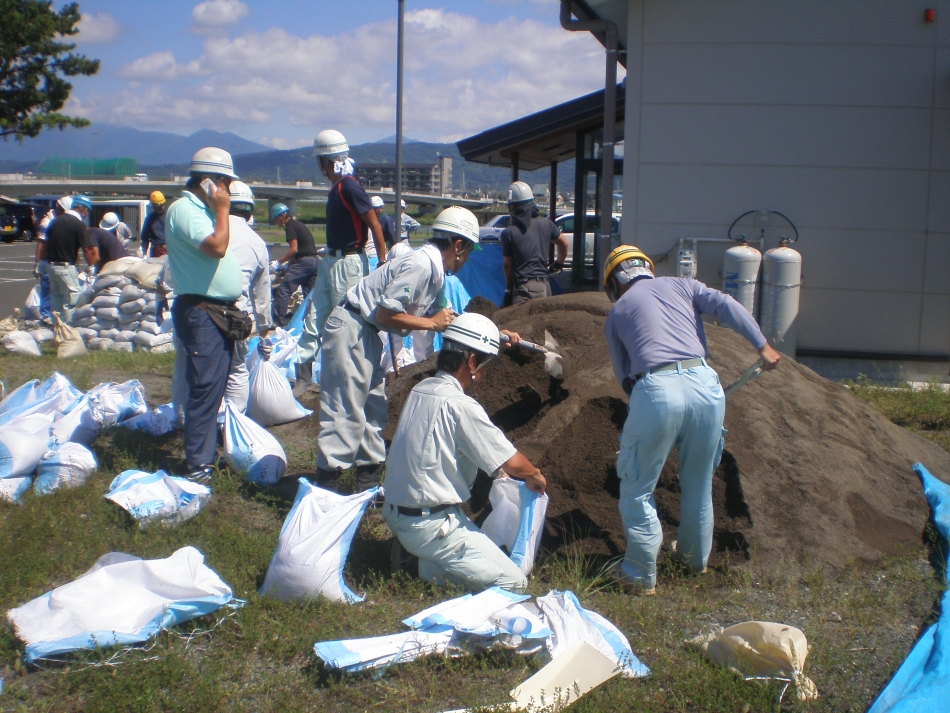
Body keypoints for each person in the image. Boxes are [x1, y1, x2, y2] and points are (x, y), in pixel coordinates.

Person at [602, 245, 781, 595]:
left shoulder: (618, 312)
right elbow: (727, 305)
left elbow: (625, 378)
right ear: (647, 269)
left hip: (655, 389)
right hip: (705, 385)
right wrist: (762, 345)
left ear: (614, 282)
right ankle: (693, 561)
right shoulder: (684, 285)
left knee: (637, 488)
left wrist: (647, 420)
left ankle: (639, 575)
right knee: (699, 484)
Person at [315, 206, 479, 493]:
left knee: (373, 409)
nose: (466, 260)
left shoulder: (436, 274)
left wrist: (491, 332)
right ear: (458, 245)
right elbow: (384, 314)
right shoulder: (419, 265)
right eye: (467, 253)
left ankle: (367, 485)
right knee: (346, 410)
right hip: (352, 327)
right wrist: (430, 323)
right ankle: (324, 494)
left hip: (364, 332)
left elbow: (447, 316)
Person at [383, 312, 543, 592]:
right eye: (483, 367)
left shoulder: (421, 389)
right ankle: (419, 565)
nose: (482, 376)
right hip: (432, 524)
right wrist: (534, 476)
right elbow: (514, 463)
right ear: (471, 362)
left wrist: (492, 337)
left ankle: (417, 551)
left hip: (397, 511)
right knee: (514, 582)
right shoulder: (460, 405)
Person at [165, 147, 243, 482]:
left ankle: (205, 456)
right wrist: (223, 210)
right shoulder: (185, 210)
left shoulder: (202, 209)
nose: (228, 191)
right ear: (210, 181)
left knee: (213, 388)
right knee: (205, 387)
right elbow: (217, 246)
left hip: (215, 310)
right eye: (225, 183)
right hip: (202, 311)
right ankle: (198, 464)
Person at [294, 129, 387, 394]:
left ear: (325, 161)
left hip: (348, 264)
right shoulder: (337, 188)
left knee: (347, 323)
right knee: (315, 318)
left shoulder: (349, 186)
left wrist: (381, 260)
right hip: (331, 261)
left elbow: (373, 224)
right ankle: (304, 374)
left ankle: (352, 379)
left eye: (319, 161)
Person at [224, 181, 274, 411]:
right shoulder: (256, 242)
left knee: (198, 372)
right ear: (250, 212)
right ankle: (231, 427)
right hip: (235, 317)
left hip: (198, 311)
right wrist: (265, 332)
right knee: (235, 371)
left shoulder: (207, 231)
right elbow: (262, 293)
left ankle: (190, 424)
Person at [500, 181, 567, 307]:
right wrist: (558, 264)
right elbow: (564, 244)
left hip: (524, 290)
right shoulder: (547, 224)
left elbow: (508, 267)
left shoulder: (509, 233)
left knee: (515, 325)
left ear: (512, 207)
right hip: (545, 287)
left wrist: (508, 292)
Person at [44, 194, 97, 321]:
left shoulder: (55, 221)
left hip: (51, 266)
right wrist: (91, 266)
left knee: (56, 299)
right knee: (71, 301)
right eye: (87, 210)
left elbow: (46, 242)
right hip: (66, 268)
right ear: (83, 209)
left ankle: (57, 330)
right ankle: (69, 332)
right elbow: (86, 249)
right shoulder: (78, 225)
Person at [269, 203, 319, 327]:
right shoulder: (299, 224)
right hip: (314, 262)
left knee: (284, 290)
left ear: (282, 216)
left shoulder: (290, 226)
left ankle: (278, 322)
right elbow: (302, 248)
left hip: (304, 263)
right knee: (310, 294)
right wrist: (289, 264)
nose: (276, 222)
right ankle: (312, 322)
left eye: (275, 219)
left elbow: (294, 249)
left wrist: (279, 262)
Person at [33, 196, 71, 323]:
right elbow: (41, 244)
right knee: (48, 289)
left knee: (58, 290)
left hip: (59, 259)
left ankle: (56, 316)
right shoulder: (48, 222)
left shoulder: (59, 220)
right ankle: (46, 317)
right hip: (49, 259)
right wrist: (39, 263)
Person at [140, 191, 167, 258]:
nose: (154, 207)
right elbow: (145, 236)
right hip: (156, 250)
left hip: (169, 249)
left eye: (156, 205)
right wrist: (144, 253)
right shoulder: (150, 218)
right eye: (153, 205)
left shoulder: (169, 215)